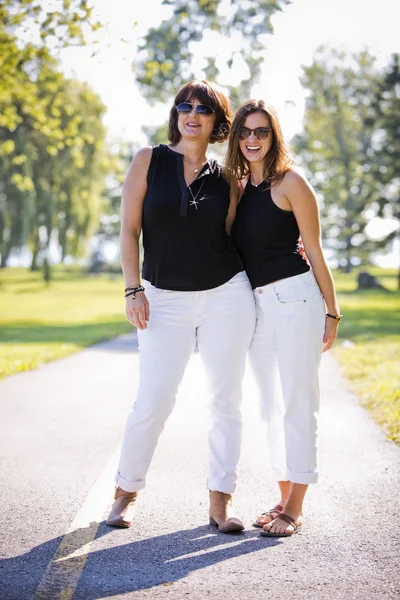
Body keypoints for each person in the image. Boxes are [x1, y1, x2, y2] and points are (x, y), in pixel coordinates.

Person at [106, 81, 256, 533]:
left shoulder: (229, 176)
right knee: (153, 399)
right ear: (175, 114)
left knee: (225, 401)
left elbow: (240, 232)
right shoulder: (147, 160)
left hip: (225, 294)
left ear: (216, 121)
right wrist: (134, 290)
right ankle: (124, 494)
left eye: (204, 109)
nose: (192, 114)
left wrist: (294, 251)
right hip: (162, 297)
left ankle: (220, 503)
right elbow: (129, 231)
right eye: (185, 106)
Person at [226, 100, 341, 537]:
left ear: (274, 137)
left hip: (297, 301)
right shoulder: (238, 187)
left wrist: (332, 310)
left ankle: (295, 507)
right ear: (237, 138)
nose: (253, 139)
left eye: (262, 132)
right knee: (270, 408)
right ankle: (282, 495)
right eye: (245, 132)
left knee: (298, 402)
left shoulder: (291, 183)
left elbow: (314, 252)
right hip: (258, 306)